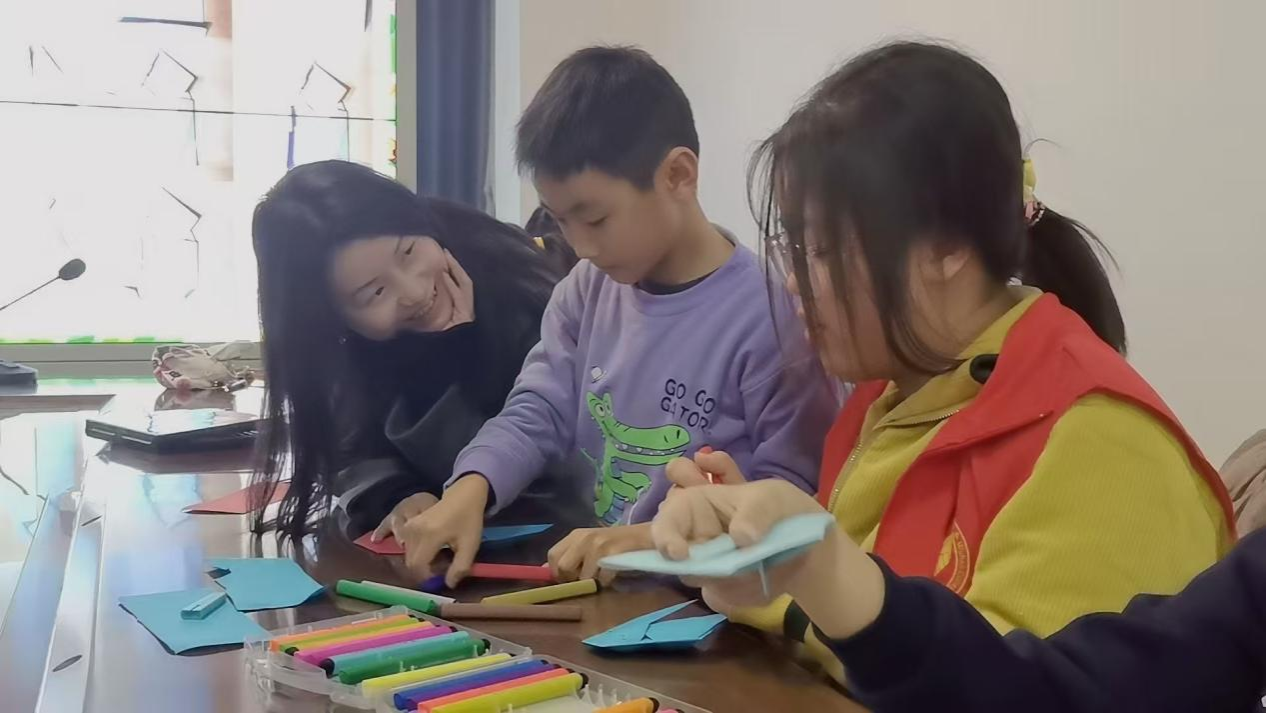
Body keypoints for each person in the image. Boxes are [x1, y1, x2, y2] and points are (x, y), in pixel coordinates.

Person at [666, 41, 1235, 680]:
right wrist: (757, 549)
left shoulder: (1101, 444)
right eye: (790, 246)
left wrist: (790, 588)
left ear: (945, 245)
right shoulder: (892, 395)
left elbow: (992, 687)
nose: (795, 282)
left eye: (820, 249)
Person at [399, 46, 839, 587]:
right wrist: (471, 487)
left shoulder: (772, 317)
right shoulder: (585, 289)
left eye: (596, 219)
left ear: (678, 175)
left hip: (706, 604)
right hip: (594, 588)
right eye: (561, 222)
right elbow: (538, 410)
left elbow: (792, 501)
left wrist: (644, 541)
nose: (581, 247)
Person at [651, 478, 1266, 713]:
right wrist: (821, 566)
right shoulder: (881, 412)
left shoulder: (1092, 425)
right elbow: (1050, 694)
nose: (793, 285)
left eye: (816, 251)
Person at [249, 160, 585, 542]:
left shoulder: (509, 275)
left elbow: (544, 450)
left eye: (408, 253)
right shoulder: (340, 356)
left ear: (419, 221)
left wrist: (454, 357)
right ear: (331, 320)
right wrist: (397, 494)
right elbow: (350, 450)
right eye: (376, 292)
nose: (414, 292)